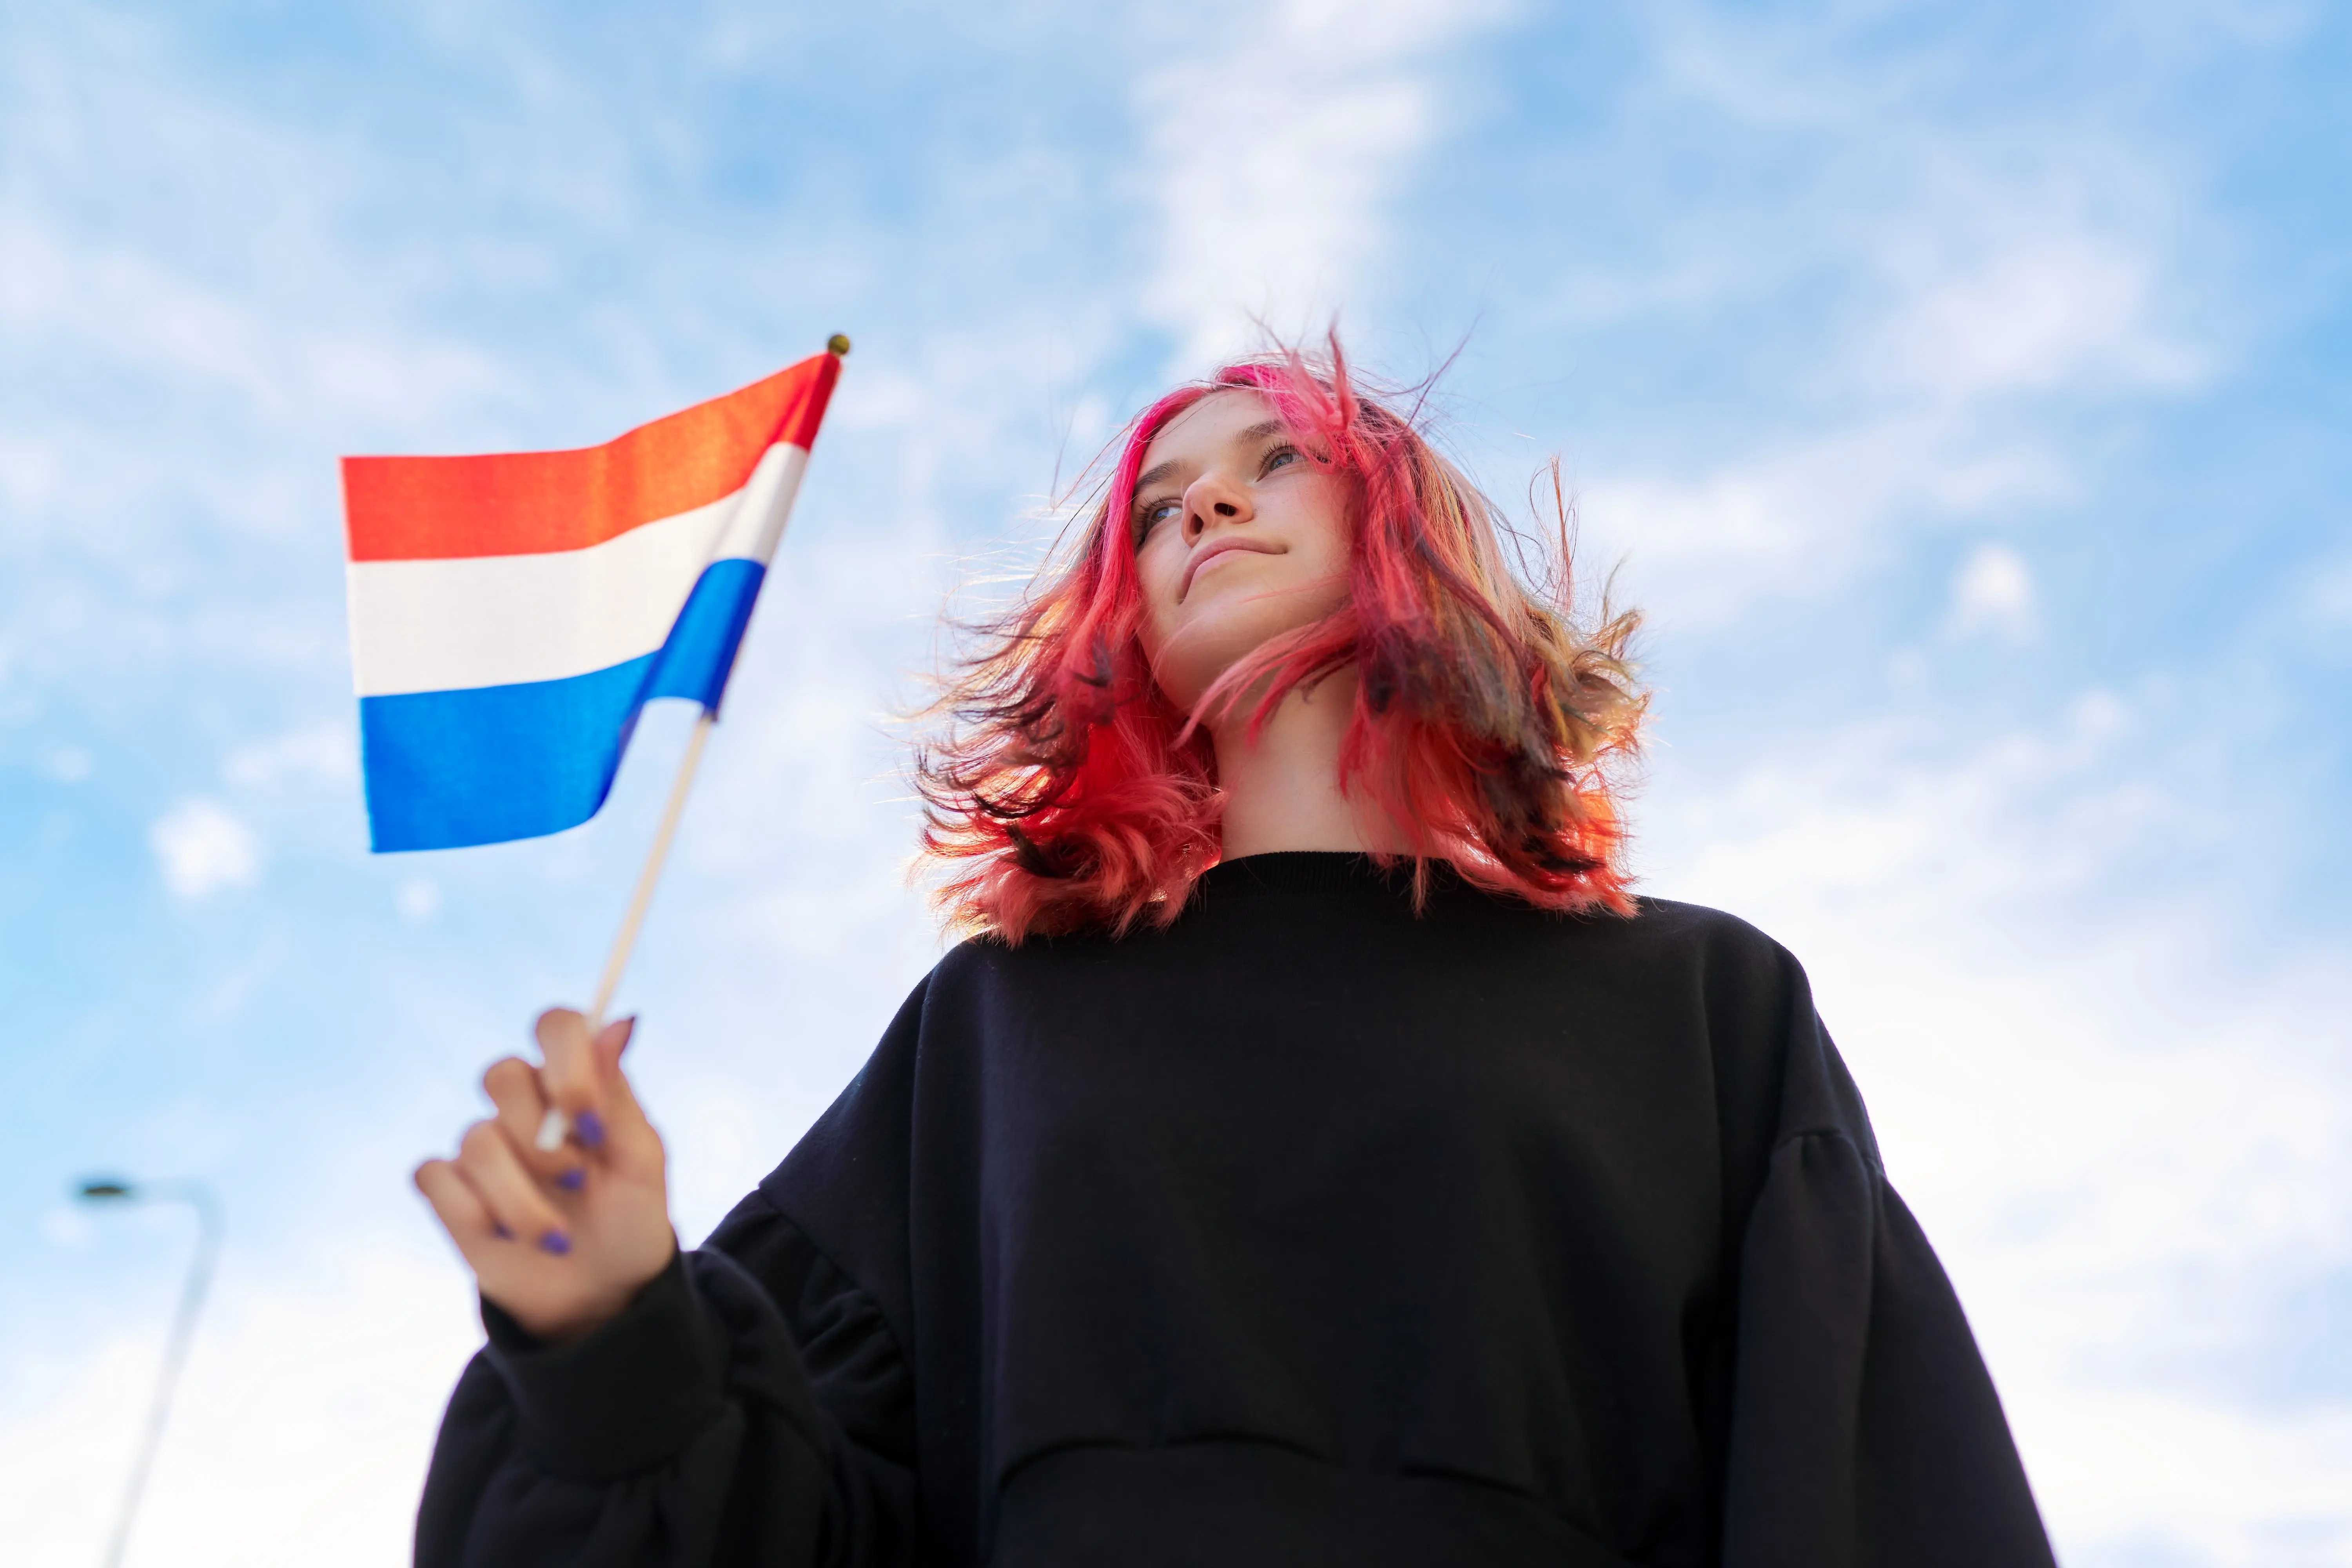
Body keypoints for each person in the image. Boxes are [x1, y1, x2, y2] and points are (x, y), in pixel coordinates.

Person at [410, 345, 2058, 1567]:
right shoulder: (995, 1031)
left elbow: (1865, 1504)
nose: (1202, 500)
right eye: (1157, 499)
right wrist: (616, 1338)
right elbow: (816, 1525)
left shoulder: (1705, 1009)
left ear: (1414, 534)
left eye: (1277, 459)